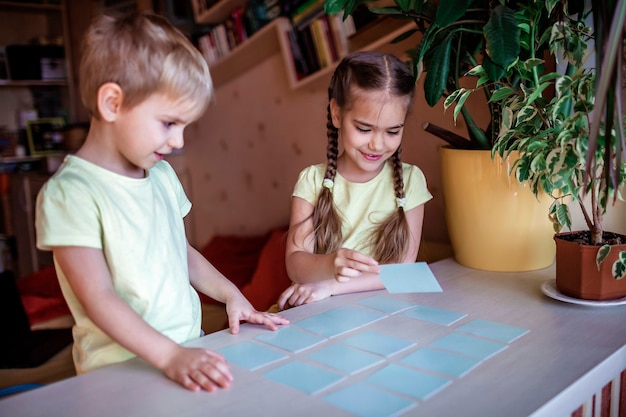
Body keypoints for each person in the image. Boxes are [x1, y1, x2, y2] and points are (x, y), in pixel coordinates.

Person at [35, 11, 288, 393]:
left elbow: (181, 253)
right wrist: (169, 355)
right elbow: (99, 298)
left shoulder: (162, 175)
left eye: (186, 126)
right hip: (119, 375)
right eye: (170, 123)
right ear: (112, 103)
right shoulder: (71, 194)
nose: (179, 142)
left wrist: (232, 296)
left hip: (187, 347)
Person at [277, 51, 432, 310]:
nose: (377, 144)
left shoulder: (411, 181)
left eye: (393, 131)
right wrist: (329, 264)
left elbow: (404, 270)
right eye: (363, 129)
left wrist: (332, 285)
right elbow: (295, 265)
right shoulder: (311, 181)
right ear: (336, 114)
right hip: (323, 313)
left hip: (387, 315)